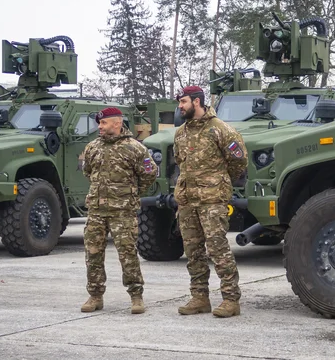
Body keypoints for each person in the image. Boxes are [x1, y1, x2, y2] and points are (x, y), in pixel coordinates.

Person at [173, 85, 248, 318]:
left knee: (218, 249)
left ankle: (230, 299)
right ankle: (199, 297)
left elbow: (239, 161)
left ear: (197, 102)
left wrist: (218, 182)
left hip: (212, 200)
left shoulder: (221, 130)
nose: (180, 106)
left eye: (183, 101)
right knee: (193, 251)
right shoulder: (181, 133)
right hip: (187, 200)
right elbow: (179, 161)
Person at [80, 106, 158, 314]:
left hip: (122, 211)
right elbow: (87, 171)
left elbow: (150, 174)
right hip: (96, 210)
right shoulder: (92, 147)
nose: (100, 126)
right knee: (93, 254)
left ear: (117, 123)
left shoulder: (134, 148)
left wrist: (132, 193)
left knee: (127, 254)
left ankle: (136, 296)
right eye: (100, 123)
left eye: (103, 123)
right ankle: (95, 295)